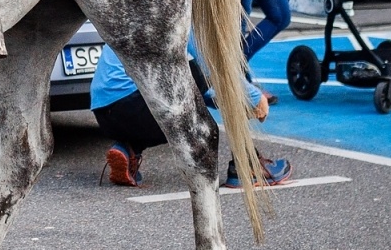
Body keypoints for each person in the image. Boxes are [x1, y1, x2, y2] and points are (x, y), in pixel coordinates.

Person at [91, 36, 292, 189]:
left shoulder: (138, 6)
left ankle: (129, 149)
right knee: (197, 71)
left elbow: (191, 91)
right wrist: (253, 98)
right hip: (138, 105)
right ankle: (246, 166)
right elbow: (212, 63)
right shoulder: (176, 2)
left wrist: (228, 101)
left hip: (105, 113)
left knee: (183, 79)